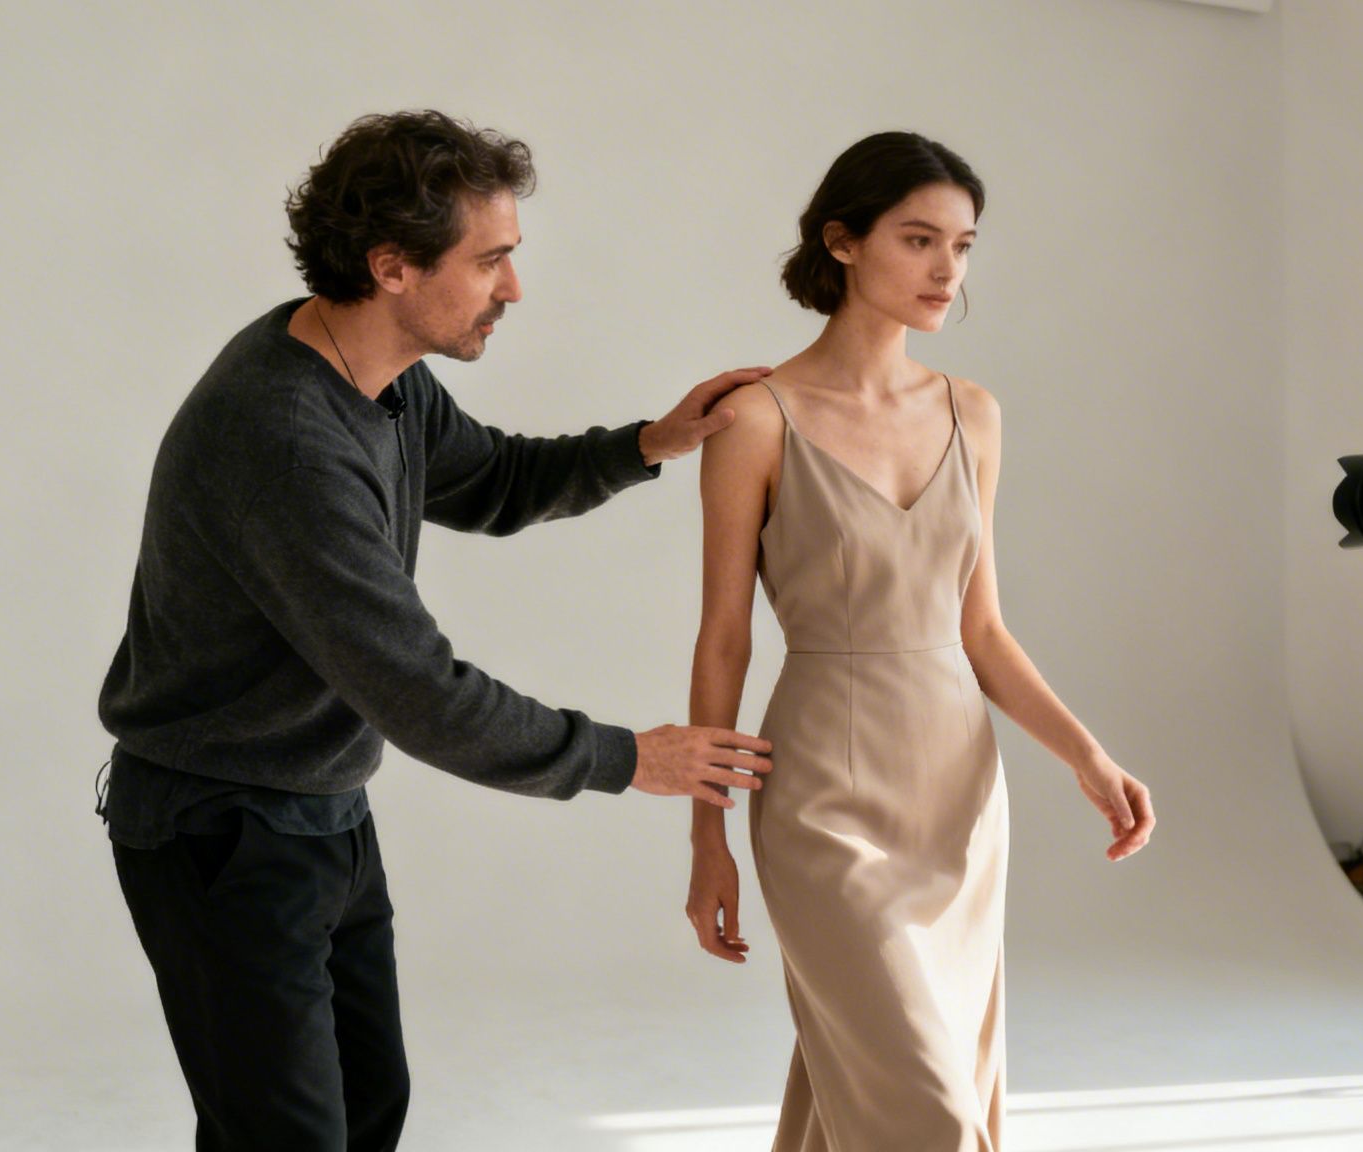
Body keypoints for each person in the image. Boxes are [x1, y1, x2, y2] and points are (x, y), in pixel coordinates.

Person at [98, 110, 774, 1151]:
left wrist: (650, 443)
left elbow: (494, 479)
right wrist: (624, 758)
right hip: (221, 830)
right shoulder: (283, 438)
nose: (514, 288)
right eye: (491, 260)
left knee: (367, 1115)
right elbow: (418, 690)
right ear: (392, 267)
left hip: (321, 811)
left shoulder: (383, 379)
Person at [684, 131, 1157, 1150]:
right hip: (819, 792)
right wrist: (704, 834)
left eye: (963, 244)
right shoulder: (754, 421)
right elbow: (722, 637)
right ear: (842, 243)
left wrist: (1087, 754)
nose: (948, 270)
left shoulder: (973, 415)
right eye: (917, 239)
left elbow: (978, 629)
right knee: (922, 1113)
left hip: (955, 795)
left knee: (870, 1082)